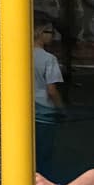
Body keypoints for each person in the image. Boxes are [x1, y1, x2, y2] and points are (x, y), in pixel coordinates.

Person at [33, 18, 64, 175]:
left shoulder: (20, 56)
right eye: (50, 32)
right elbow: (51, 90)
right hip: (45, 112)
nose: (52, 35)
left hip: (26, 111)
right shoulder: (49, 59)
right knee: (44, 154)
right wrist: (61, 108)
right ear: (40, 33)